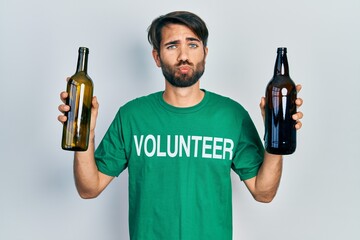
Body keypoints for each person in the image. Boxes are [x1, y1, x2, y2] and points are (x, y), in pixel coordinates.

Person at [58, 11, 303, 240]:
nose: (183, 55)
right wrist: (85, 138)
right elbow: (89, 188)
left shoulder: (232, 115)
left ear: (205, 53)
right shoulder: (132, 116)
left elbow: (264, 192)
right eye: (172, 45)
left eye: (192, 44)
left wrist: (275, 137)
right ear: (157, 56)